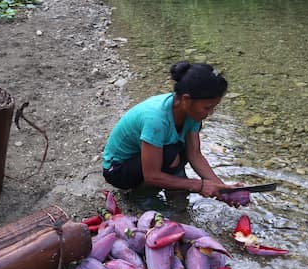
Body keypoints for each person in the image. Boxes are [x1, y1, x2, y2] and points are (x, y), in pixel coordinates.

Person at [102, 61, 240, 201]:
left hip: (145, 159)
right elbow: (152, 175)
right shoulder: (156, 120)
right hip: (117, 170)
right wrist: (198, 185)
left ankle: (174, 183)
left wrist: (222, 189)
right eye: (207, 108)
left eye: (213, 107)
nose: (210, 113)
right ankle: (142, 196)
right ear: (186, 99)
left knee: (182, 149)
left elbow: (195, 155)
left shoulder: (191, 112)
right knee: (170, 156)